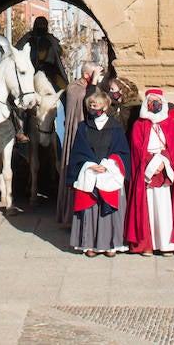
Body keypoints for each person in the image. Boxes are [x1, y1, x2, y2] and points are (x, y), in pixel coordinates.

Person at [125, 88, 174, 255]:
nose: (154, 104)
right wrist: (151, 164)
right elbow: (136, 149)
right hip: (147, 170)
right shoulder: (139, 125)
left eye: (157, 101)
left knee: (164, 208)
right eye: (151, 101)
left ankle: (166, 244)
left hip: (165, 170)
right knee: (147, 207)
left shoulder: (169, 123)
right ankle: (147, 244)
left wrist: (163, 162)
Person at [67, 89, 130, 257]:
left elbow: (122, 151)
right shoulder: (83, 127)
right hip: (90, 171)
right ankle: (89, 245)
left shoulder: (115, 127)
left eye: (96, 105)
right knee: (90, 208)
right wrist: (90, 164)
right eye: (91, 105)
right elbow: (79, 150)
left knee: (109, 209)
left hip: (110, 170)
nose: (92, 108)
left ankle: (111, 245)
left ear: (105, 106)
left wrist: (109, 164)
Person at [55, 62, 103, 222]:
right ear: (86, 74)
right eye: (94, 73)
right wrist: (95, 80)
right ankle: (71, 214)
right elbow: (88, 101)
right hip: (78, 133)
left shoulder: (92, 86)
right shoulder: (74, 88)